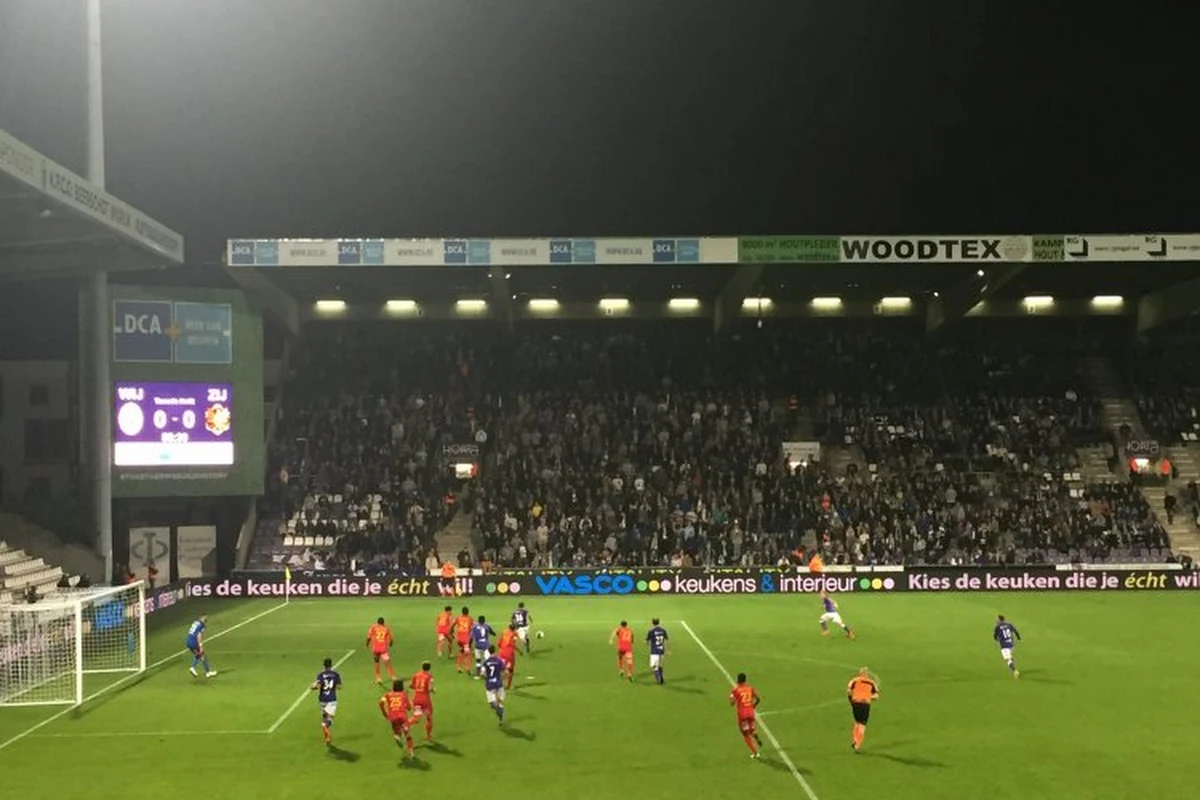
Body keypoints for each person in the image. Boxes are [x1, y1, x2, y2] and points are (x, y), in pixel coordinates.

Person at [379, 679, 416, 758]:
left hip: (392, 716)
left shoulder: (388, 694)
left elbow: (381, 702)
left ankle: (397, 736)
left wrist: (385, 713)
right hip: (402, 716)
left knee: (397, 732)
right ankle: (411, 752)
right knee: (408, 734)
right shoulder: (403, 694)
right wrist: (407, 705)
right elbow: (409, 708)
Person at [729, 673, 762, 759]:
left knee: (745, 733)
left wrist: (733, 697)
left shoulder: (735, 690)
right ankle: (755, 734)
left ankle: (755, 753)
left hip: (743, 715)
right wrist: (754, 706)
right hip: (750, 712)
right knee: (751, 728)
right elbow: (758, 699)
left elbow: (731, 703)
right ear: (745, 680)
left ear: (737, 680)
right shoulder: (750, 688)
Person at [310, 657, 342, 745]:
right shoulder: (335, 674)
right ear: (331, 665)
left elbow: (317, 685)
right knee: (330, 719)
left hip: (322, 699)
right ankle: (325, 728)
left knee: (325, 717)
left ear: (324, 665)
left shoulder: (320, 674)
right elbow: (339, 687)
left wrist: (313, 687)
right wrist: (333, 685)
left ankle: (327, 737)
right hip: (332, 699)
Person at [846, 667, 879, 753]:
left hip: (855, 703)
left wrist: (851, 700)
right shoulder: (872, 683)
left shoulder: (854, 680)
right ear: (867, 674)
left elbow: (849, 691)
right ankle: (857, 744)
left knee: (857, 722)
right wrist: (868, 696)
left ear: (860, 673)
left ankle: (854, 739)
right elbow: (876, 696)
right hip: (865, 704)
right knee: (863, 724)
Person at [366, 616, 397, 685]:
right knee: (387, 662)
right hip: (383, 649)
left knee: (376, 662)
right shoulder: (386, 628)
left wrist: (367, 644)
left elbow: (369, 637)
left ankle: (378, 678)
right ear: (383, 623)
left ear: (377, 622)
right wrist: (390, 644)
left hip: (376, 648)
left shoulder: (373, 627)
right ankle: (392, 676)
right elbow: (391, 639)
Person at [481, 646, 507, 723]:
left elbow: (482, 674)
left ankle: (498, 710)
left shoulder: (486, 662)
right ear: (495, 651)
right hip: (499, 683)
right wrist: (503, 679)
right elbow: (506, 672)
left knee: (492, 703)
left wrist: (487, 678)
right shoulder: (499, 661)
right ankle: (501, 716)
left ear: (488, 652)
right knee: (500, 701)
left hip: (490, 684)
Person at [409, 661, 435, 741]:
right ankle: (428, 736)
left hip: (416, 698)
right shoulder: (430, 677)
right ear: (429, 668)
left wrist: (418, 689)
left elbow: (411, 686)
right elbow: (430, 688)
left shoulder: (416, 675)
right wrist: (433, 690)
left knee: (416, 717)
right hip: (425, 700)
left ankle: (406, 725)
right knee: (429, 718)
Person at [646, 618, 669, 685]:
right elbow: (667, 640)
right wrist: (667, 650)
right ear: (659, 622)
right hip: (661, 650)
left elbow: (647, 640)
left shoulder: (651, 631)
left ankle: (658, 680)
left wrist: (646, 642)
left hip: (654, 651)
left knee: (654, 666)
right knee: (660, 665)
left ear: (652, 623)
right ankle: (661, 677)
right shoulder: (663, 630)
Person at [497, 624, 519, 689]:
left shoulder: (504, 632)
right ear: (514, 628)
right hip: (509, 654)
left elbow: (499, 643)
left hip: (501, 653)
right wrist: (519, 651)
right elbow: (513, 644)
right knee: (510, 670)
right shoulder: (514, 634)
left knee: (501, 668)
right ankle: (508, 685)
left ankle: (499, 682)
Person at [453, 606, 474, 674]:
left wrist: (451, 632)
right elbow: (472, 627)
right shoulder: (470, 618)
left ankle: (459, 667)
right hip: (465, 638)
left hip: (459, 638)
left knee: (462, 651)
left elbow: (452, 625)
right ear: (468, 612)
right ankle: (467, 668)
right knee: (468, 653)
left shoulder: (458, 618)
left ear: (462, 612)